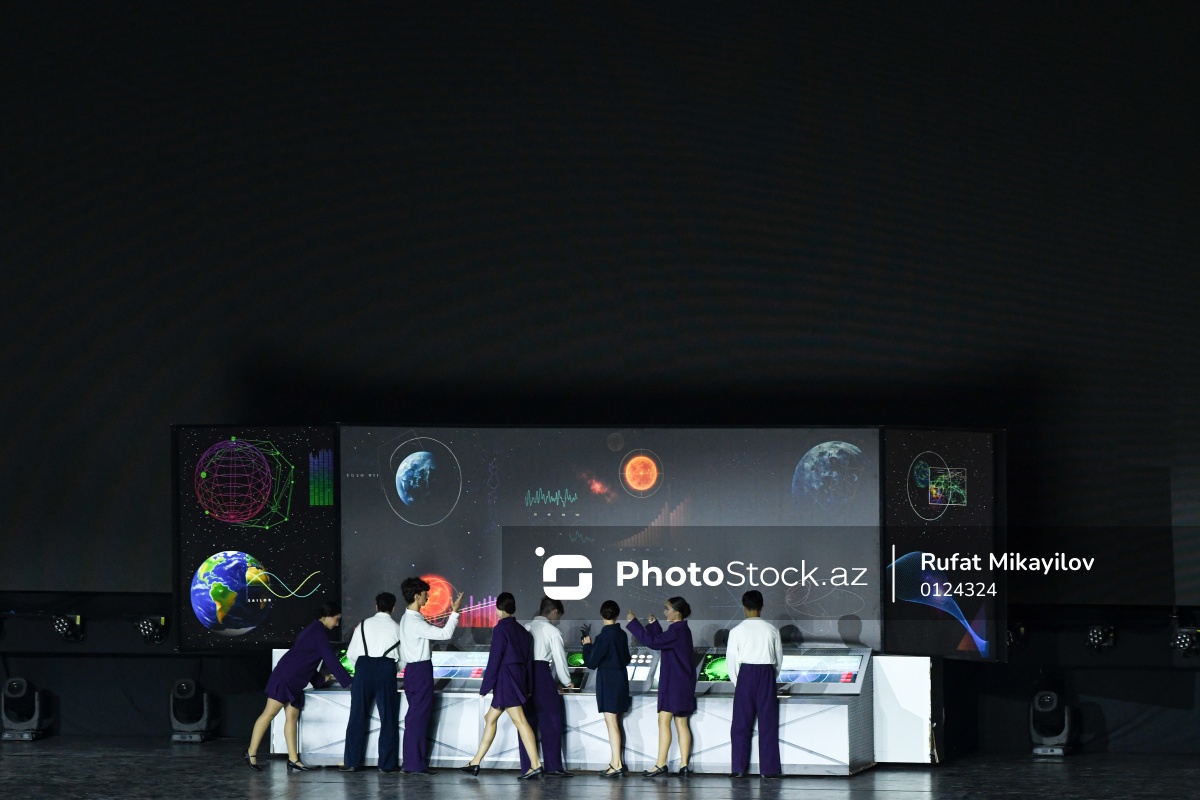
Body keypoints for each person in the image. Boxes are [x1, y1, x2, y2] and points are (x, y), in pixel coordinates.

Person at [246, 600, 351, 771]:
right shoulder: (318, 633)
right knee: (269, 714)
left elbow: (305, 660)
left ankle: (293, 759)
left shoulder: (314, 630)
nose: (337, 623)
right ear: (326, 617)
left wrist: (322, 679)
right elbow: (330, 660)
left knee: (292, 718)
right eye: (336, 619)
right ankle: (251, 753)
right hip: (286, 678)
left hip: (293, 679)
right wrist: (349, 682)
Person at [460, 592, 543, 780]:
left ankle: (536, 764)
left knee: (520, 721)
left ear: (498, 608)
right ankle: (475, 762)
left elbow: (494, 660)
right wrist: (528, 686)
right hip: (517, 678)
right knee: (490, 718)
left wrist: (485, 686)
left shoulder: (500, 629)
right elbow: (528, 661)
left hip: (506, 680)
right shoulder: (523, 631)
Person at [398, 576, 464, 774]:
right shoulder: (415, 621)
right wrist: (455, 612)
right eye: (425, 594)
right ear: (416, 596)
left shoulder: (407, 618)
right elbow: (445, 634)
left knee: (415, 718)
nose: (427, 597)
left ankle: (412, 762)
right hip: (420, 671)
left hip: (413, 671)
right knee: (418, 719)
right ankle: (414, 764)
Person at [626, 597, 696, 777]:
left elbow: (654, 642)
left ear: (677, 612)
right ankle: (684, 765)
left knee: (663, 721)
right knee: (681, 722)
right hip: (684, 683)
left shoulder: (676, 630)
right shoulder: (682, 630)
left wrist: (634, 623)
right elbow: (662, 641)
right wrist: (654, 625)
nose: (665, 612)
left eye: (667, 609)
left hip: (673, 683)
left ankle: (660, 764)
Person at [341, 592, 404, 772]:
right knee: (388, 718)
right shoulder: (397, 628)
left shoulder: (363, 625)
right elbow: (403, 659)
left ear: (376, 606)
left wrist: (363, 667)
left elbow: (351, 654)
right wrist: (391, 669)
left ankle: (352, 762)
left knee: (357, 715)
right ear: (393, 608)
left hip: (364, 667)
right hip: (386, 669)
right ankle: (387, 765)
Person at [725, 590, 783, 779]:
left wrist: (739, 683)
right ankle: (769, 770)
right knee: (768, 724)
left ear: (743, 607)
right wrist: (771, 677)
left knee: (740, 724)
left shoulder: (736, 631)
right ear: (762, 606)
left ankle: (738, 768)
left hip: (746, 675)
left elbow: (731, 662)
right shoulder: (772, 629)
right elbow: (779, 659)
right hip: (767, 673)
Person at [518, 596, 574, 778]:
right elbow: (560, 660)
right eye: (559, 616)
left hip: (525, 677)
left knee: (526, 722)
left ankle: (529, 767)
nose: (559, 620)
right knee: (551, 721)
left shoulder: (526, 628)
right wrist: (566, 681)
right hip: (542, 675)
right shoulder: (553, 631)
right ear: (554, 611)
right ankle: (553, 766)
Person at [581, 599, 631, 778]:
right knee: (616, 722)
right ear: (617, 615)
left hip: (608, 682)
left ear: (602, 614)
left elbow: (591, 663)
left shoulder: (603, 637)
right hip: (621, 680)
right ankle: (616, 762)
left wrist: (587, 646)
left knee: (611, 723)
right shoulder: (622, 634)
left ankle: (616, 764)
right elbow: (626, 658)